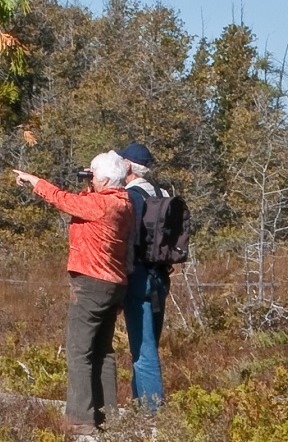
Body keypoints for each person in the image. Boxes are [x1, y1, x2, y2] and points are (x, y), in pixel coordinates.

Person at [11, 152, 133, 435]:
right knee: (103, 351)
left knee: (80, 352)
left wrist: (34, 181)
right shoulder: (124, 203)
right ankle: (107, 416)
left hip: (91, 283)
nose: (88, 179)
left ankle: (80, 420)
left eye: (92, 175)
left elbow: (63, 200)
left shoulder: (101, 204)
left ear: (102, 180)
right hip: (115, 284)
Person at [114, 142, 170, 412]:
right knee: (148, 344)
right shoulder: (162, 192)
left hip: (138, 279)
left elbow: (125, 241)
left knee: (143, 349)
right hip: (161, 277)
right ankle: (141, 404)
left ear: (128, 166)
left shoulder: (130, 197)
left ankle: (153, 413)